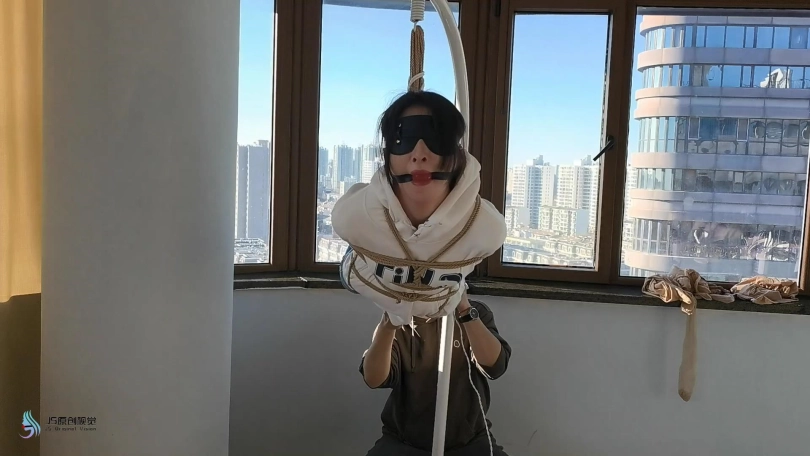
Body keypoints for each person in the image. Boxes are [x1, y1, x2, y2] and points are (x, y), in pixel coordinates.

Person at [347, 90, 512, 455]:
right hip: (404, 442)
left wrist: (464, 309)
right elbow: (374, 379)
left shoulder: (476, 313)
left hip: (470, 441)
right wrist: (389, 323)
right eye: (404, 139)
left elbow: (495, 366)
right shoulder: (402, 317)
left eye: (434, 139)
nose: (419, 154)